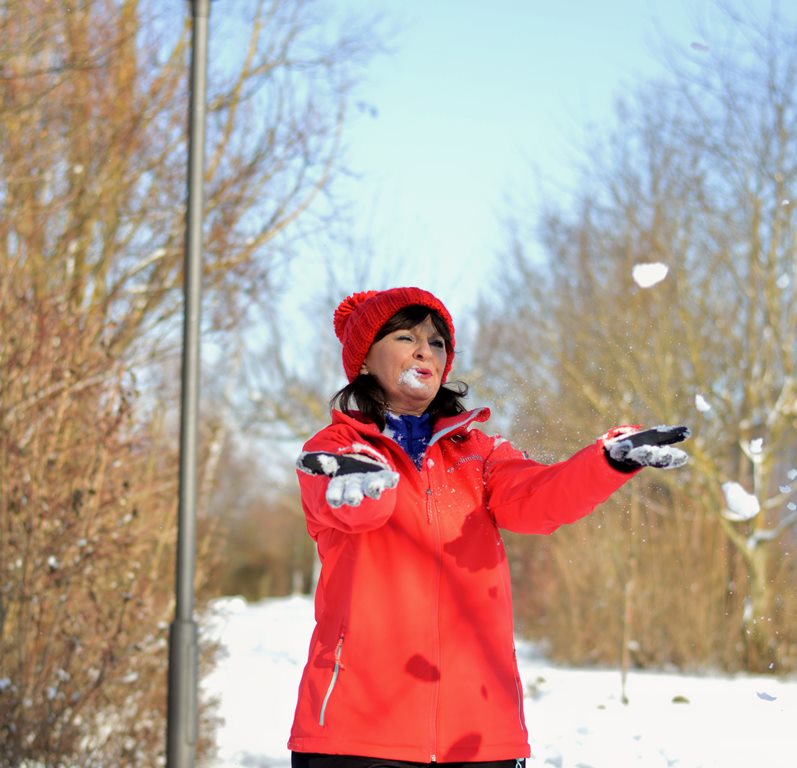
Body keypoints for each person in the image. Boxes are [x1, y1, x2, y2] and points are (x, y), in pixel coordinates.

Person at [288, 287, 690, 768]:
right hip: (358, 735)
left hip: (479, 736)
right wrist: (363, 477)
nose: (424, 351)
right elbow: (358, 510)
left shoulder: (478, 452)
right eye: (404, 337)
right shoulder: (335, 449)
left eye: (437, 343)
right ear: (364, 361)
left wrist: (606, 462)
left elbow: (537, 499)